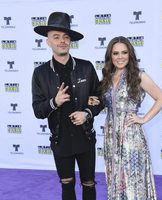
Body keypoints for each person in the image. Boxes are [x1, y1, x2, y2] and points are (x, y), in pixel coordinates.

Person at [31, 12, 103, 200]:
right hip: (60, 140)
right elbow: (38, 110)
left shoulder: (86, 67)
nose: (62, 41)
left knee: (89, 185)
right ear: (48, 41)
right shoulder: (40, 73)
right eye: (56, 37)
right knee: (67, 186)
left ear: (70, 40)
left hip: (85, 137)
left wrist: (87, 113)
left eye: (66, 37)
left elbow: (99, 98)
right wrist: (54, 102)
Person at [89, 36, 162, 200]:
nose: (120, 57)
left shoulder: (139, 75)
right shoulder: (108, 77)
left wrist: (144, 119)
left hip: (131, 136)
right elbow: (106, 102)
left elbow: (161, 98)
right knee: (115, 178)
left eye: (124, 52)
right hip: (111, 137)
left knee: (133, 181)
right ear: (110, 56)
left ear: (130, 54)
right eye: (115, 53)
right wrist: (95, 100)